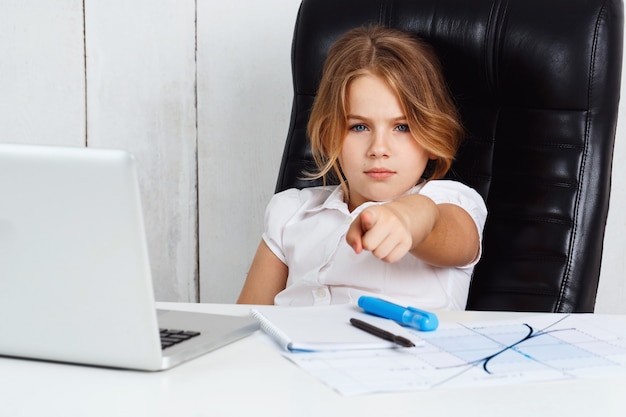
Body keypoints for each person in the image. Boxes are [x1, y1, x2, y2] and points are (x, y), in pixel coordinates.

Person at [237, 25, 487, 309]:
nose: (379, 148)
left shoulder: (452, 202)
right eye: (359, 127)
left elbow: (442, 227)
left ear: (431, 138)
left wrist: (409, 217)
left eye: (402, 127)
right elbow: (245, 321)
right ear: (330, 136)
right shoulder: (291, 212)